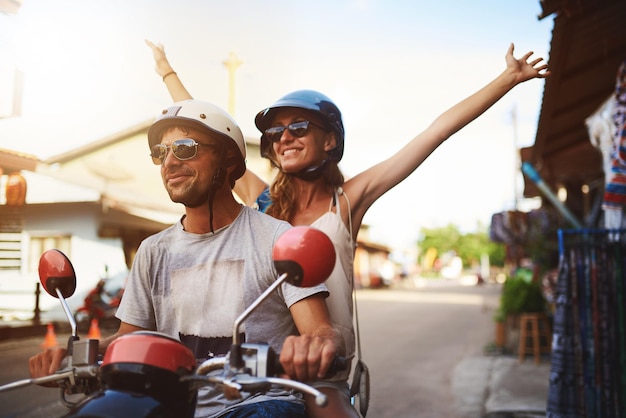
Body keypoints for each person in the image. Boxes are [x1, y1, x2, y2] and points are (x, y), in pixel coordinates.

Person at [147, 40, 550, 417]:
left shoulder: (347, 201)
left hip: (326, 371)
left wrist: (506, 80)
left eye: (299, 128)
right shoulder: (263, 201)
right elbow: (206, 135)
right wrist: (167, 72)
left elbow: (434, 133)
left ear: (329, 141)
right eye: (275, 132)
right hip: (266, 374)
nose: (284, 137)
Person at [29, 99, 343, 418]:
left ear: (229, 160)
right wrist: (70, 359)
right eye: (160, 153)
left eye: (184, 147)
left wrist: (314, 345)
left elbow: (320, 330)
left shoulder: (276, 238)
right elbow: (129, 339)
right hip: (169, 405)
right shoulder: (153, 251)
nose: (169, 162)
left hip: (259, 402)